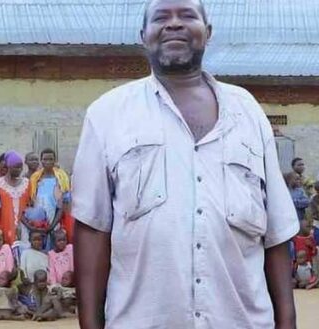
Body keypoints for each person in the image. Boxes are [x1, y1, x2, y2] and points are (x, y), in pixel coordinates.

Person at [73, 4, 300, 325]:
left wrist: (287, 322)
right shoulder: (107, 114)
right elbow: (92, 229)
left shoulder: (248, 112)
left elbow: (276, 234)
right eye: (161, 18)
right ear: (143, 36)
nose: (174, 25)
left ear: (208, 32)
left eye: (187, 16)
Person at [29, 148, 69, 249]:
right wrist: (35, 225)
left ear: (55, 161)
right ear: (41, 161)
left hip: (54, 222)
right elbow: (31, 202)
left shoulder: (61, 178)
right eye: (45, 159)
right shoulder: (35, 179)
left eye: (50, 159)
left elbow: (61, 206)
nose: (47, 162)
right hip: (37, 223)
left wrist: (51, 226)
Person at [0, 151, 31, 246]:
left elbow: (29, 205)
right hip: (4, 224)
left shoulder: (26, 183)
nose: (19, 170)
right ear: (8, 167)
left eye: (20, 167)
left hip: (23, 225)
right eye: (16, 167)